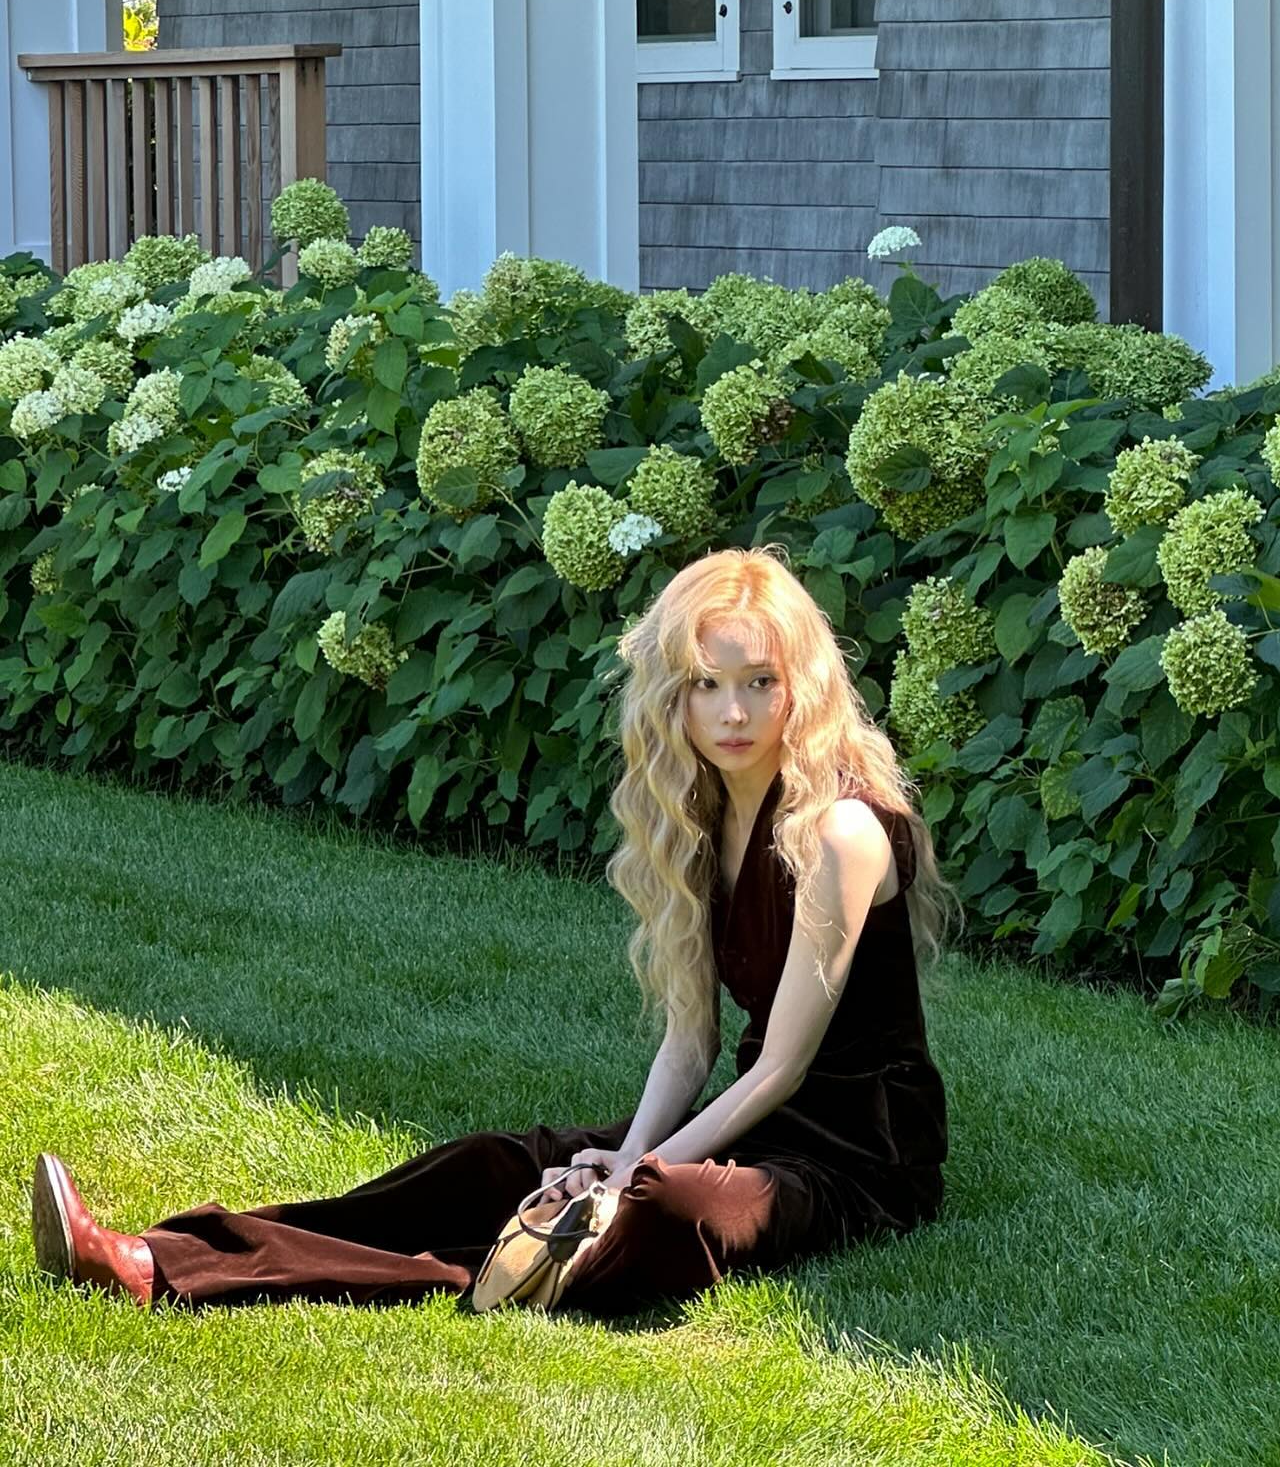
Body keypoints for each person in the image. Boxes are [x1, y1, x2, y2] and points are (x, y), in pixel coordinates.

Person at [31, 544, 958, 1318]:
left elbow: (781, 1067)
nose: (734, 713)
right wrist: (625, 1151)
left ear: (804, 686)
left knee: (651, 1212)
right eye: (706, 685)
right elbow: (691, 1041)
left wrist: (631, 1175)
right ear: (672, 695)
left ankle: (465, 1268)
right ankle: (158, 1254)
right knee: (500, 1166)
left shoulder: (839, 831)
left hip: (860, 1158)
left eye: (760, 682)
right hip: (759, 1124)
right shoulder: (699, 812)